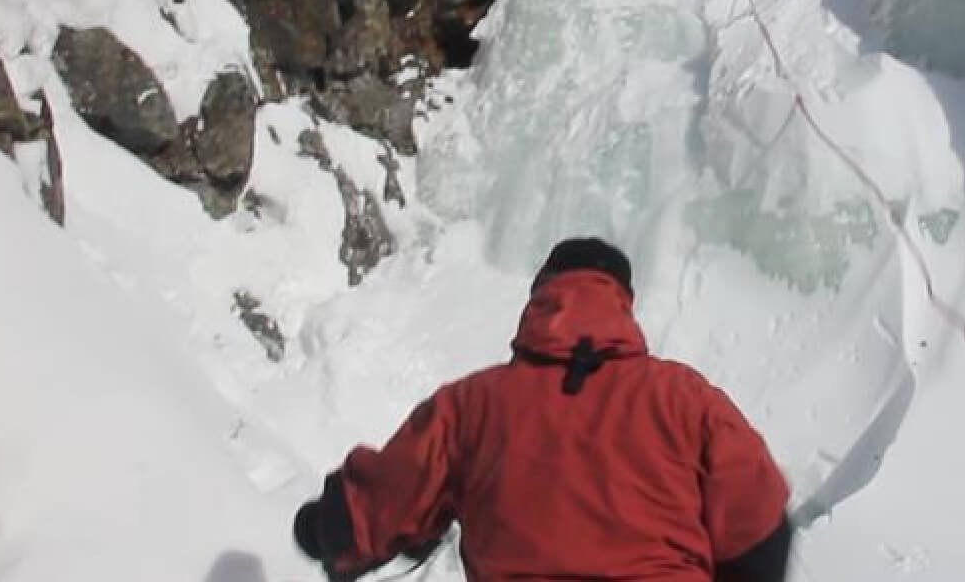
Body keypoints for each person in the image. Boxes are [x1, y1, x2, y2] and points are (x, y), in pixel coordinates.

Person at [292, 237, 794, 581]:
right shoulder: (684, 398)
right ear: (623, 302)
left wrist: (327, 528)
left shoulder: (472, 406)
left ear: (541, 298)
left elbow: (385, 501)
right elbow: (759, 524)